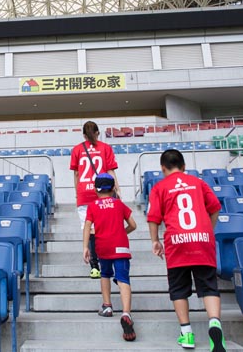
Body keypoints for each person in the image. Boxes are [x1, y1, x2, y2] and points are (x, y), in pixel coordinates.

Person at [147, 149, 226, 352]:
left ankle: (187, 333)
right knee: (209, 286)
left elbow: (154, 218)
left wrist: (155, 241)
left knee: (178, 289)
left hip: (176, 242)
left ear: (163, 168)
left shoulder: (159, 187)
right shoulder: (198, 183)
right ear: (184, 167)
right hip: (202, 240)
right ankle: (215, 325)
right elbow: (215, 207)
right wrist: (209, 228)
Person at [82, 173, 137, 341]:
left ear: (95, 189)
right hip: (120, 246)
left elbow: (87, 227)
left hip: (102, 245)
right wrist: (122, 232)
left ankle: (107, 306)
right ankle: (126, 313)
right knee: (123, 279)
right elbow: (133, 225)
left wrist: (85, 247)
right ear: (113, 188)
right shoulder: (119, 204)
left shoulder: (92, 206)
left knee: (105, 274)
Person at [70, 120, 120, 278]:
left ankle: (94, 266)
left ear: (84, 135)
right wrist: (117, 189)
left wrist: (77, 192)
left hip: (84, 192)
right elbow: (111, 171)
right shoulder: (106, 148)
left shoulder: (77, 149)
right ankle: (107, 262)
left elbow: (77, 174)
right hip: (103, 191)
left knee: (89, 230)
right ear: (98, 132)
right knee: (104, 228)